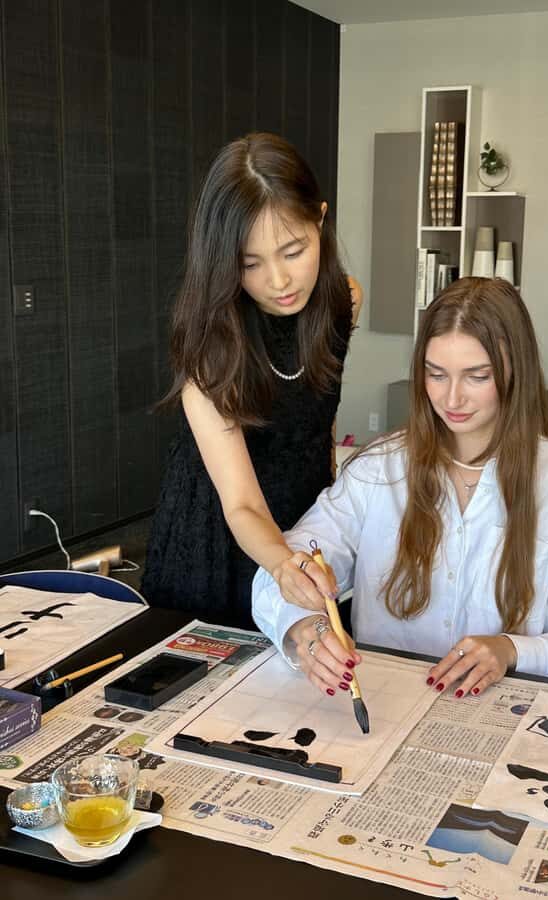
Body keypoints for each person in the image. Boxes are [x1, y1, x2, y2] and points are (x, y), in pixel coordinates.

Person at [252, 277, 548, 697]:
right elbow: (282, 570)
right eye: (436, 375)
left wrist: (511, 651)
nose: (452, 399)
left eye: (477, 377)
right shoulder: (379, 471)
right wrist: (304, 626)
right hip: (386, 708)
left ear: (516, 373)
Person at [141, 133, 362, 629]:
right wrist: (282, 562)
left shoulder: (343, 302)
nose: (279, 281)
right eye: (251, 264)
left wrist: (325, 526)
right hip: (220, 527)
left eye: (293, 250)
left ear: (320, 220)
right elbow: (241, 503)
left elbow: (317, 420)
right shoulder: (211, 345)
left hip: (302, 518)